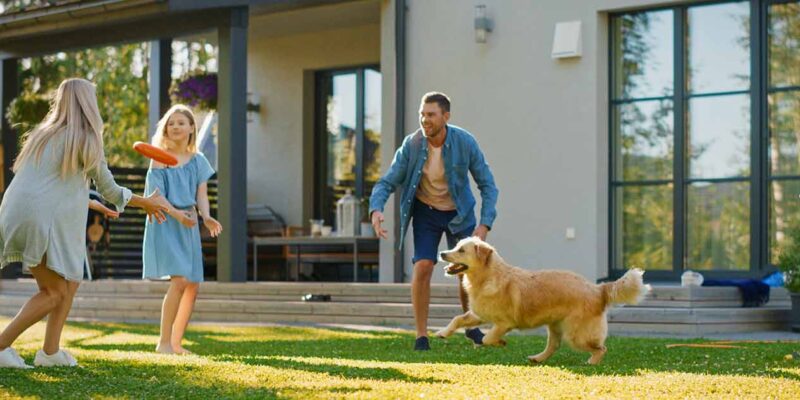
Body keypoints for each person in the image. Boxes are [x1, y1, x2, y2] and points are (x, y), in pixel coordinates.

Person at [0, 78, 169, 368]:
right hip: (41, 218)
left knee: (71, 280)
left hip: (15, 212)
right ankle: (2, 346)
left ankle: (50, 353)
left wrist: (88, 202)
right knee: (54, 292)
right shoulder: (87, 138)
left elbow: (47, 183)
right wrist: (148, 202)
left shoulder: (43, 134)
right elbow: (112, 190)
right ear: (88, 104)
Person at [369, 92, 499, 350]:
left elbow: (488, 185)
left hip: (459, 212)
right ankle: (421, 336)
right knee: (423, 266)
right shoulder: (412, 145)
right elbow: (388, 181)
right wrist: (376, 208)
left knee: (467, 271)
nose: (424, 120)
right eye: (422, 114)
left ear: (445, 117)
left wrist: (484, 224)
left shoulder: (465, 142)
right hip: (426, 212)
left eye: (431, 114)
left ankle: (471, 327)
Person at [142, 104, 222, 355]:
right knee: (180, 280)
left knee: (192, 285)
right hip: (166, 221)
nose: (175, 126)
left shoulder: (198, 160)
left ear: (191, 128)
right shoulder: (159, 158)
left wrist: (206, 216)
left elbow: (201, 194)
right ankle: (163, 343)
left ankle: (176, 343)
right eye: (171, 122)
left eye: (180, 122)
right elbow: (155, 197)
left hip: (188, 223)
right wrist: (178, 215)